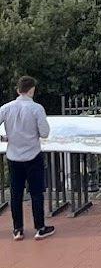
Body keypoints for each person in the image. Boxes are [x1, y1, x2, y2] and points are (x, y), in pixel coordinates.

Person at [1, 76, 55, 241]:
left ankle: (18, 229)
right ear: (32, 90)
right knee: (36, 193)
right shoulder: (36, 109)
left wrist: (4, 138)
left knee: (16, 193)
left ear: (18, 90)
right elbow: (45, 133)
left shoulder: (6, 108)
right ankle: (40, 227)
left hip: (13, 155)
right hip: (33, 155)